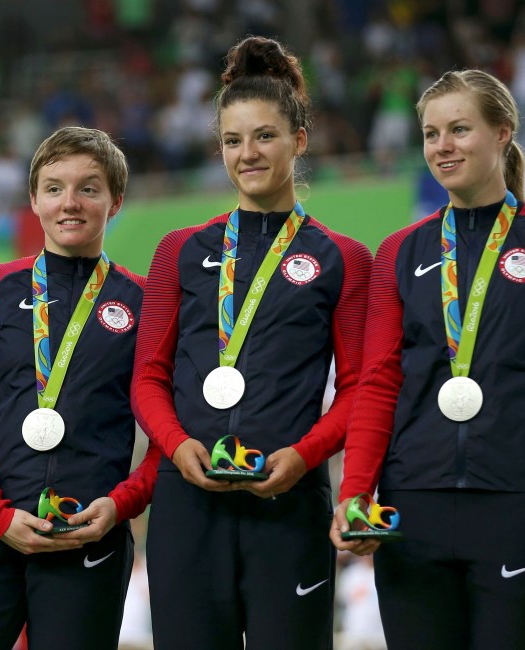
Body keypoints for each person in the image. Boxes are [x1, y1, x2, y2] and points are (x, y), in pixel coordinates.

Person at [330, 69, 525, 650]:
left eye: (460, 129)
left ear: (503, 133)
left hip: (519, 503)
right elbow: (380, 381)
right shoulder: (400, 252)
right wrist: (355, 493)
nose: (442, 146)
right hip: (413, 508)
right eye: (432, 134)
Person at [131, 36, 372, 649]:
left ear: (299, 140)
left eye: (265, 136)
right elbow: (149, 379)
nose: (248, 153)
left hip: (288, 502)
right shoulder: (180, 250)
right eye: (233, 141)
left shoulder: (342, 258)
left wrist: (305, 455)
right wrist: (179, 446)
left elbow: (361, 390)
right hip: (188, 505)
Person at [0, 126, 159, 650]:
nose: (69, 203)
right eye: (54, 188)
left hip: (88, 532)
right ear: (33, 199)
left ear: (115, 201)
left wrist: (121, 505)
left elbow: (169, 433)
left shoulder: (146, 302)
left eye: (88, 188)